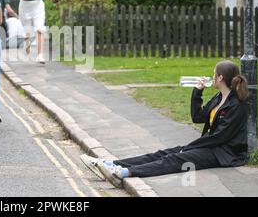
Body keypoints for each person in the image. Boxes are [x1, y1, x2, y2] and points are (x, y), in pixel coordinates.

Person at [81, 60, 249, 185]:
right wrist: (198, 92)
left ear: (220, 78)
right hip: (212, 147)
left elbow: (220, 137)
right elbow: (197, 117)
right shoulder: (219, 97)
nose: (212, 77)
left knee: (174, 159)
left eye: (214, 74)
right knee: (161, 154)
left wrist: (191, 146)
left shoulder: (237, 105)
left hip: (226, 154)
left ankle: (123, 172)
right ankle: (110, 164)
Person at [15, 0, 60, 64]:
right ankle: (27, 42)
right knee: (28, 30)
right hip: (25, 7)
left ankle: (40, 55)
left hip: (38, 6)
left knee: (39, 29)